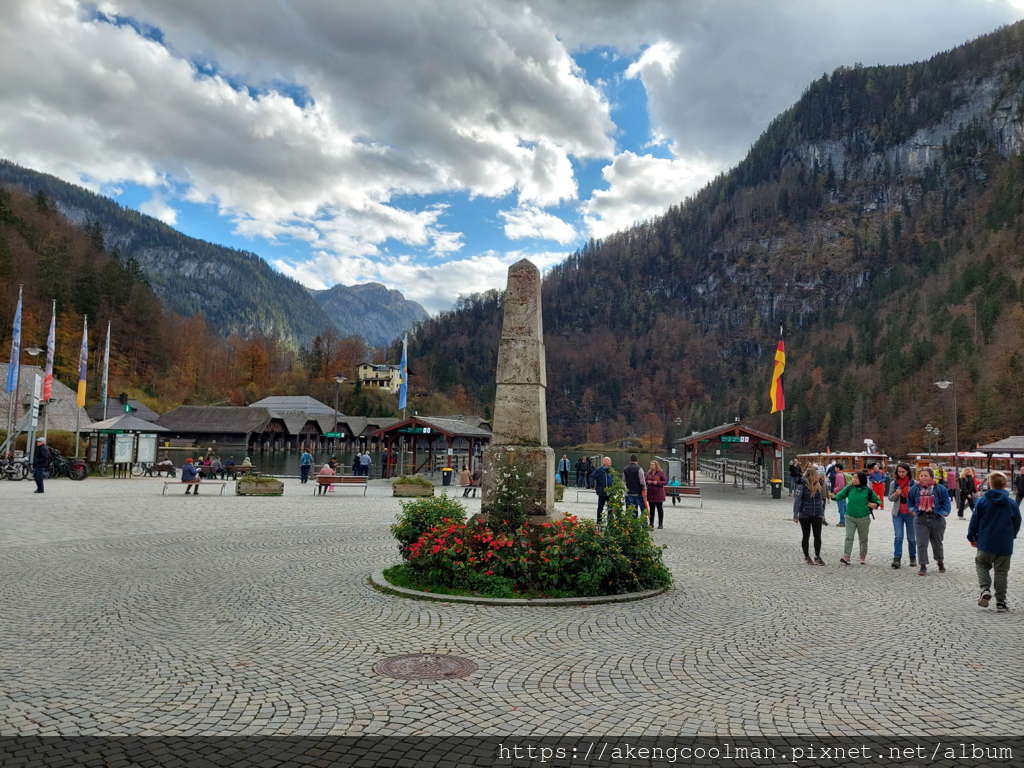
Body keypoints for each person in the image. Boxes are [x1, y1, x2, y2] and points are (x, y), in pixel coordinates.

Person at [968, 471, 1021, 612]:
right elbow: (1017, 521)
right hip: (1004, 543)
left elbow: (974, 520)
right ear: (1005, 485)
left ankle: (985, 588)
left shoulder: (982, 501)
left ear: (989, 484)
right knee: (1001, 572)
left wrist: (971, 537)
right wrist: (1012, 535)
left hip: (985, 542)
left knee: (981, 564)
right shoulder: (1011, 503)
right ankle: (1001, 602)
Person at [908, 466, 951, 576]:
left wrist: (944, 513)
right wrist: (912, 511)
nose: (923, 478)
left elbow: (946, 501)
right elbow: (910, 501)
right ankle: (923, 565)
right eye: (921, 476)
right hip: (920, 518)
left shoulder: (940, 488)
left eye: (926, 476)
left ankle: (940, 561)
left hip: (936, 517)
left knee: (937, 543)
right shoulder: (915, 488)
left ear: (931, 476)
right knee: (921, 543)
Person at [833, 470, 880, 565]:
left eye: (856, 478)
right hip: (850, 516)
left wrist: (875, 504)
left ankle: (862, 555)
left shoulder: (868, 491)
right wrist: (833, 497)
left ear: (861, 480)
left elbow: (878, 501)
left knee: (863, 539)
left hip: (863, 518)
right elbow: (839, 496)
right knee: (849, 537)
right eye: (853, 477)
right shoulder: (849, 488)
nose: (853, 479)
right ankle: (846, 556)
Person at [793, 465, 827, 565]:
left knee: (818, 536)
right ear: (812, 476)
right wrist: (795, 515)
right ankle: (807, 556)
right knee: (806, 535)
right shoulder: (802, 485)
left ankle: (817, 555)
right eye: (817, 475)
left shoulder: (819, 484)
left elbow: (820, 501)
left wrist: (822, 514)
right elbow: (797, 501)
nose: (819, 476)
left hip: (817, 514)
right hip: (805, 514)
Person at [888, 463, 917, 569]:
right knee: (899, 536)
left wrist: (911, 494)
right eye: (899, 472)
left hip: (911, 514)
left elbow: (918, 499)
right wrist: (896, 494)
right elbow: (890, 498)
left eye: (903, 472)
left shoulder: (914, 483)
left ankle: (913, 557)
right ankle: (897, 558)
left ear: (908, 472)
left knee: (911, 538)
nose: (901, 474)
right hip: (898, 513)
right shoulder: (894, 483)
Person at [622, 454, 646, 519]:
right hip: (637, 492)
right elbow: (642, 481)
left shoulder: (625, 469)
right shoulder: (639, 469)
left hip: (628, 492)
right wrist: (645, 491)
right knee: (643, 509)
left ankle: (631, 525)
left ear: (630, 460)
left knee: (630, 510)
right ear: (637, 460)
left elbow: (623, 480)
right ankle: (644, 525)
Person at [646, 460, 668, 529]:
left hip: (659, 494)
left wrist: (658, 483)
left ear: (656, 465)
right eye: (651, 465)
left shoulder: (660, 473)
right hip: (651, 494)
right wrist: (648, 482)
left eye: (653, 465)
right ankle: (651, 523)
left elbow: (665, 482)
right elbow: (645, 480)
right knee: (651, 509)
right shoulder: (649, 473)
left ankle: (660, 524)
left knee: (659, 509)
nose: (651, 466)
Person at [593, 457, 614, 524]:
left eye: (610, 460)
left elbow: (615, 479)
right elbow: (592, 476)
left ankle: (610, 522)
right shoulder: (599, 470)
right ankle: (599, 521)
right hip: (602, 492)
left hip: (610, 492)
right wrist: (592, 485)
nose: (610, 462)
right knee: (600, 508)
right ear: (604, 462)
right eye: (608, 460)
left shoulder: (612, 470)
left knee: (610, 508)